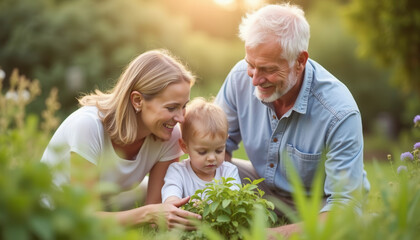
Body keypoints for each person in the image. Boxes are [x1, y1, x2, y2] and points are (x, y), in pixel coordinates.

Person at [214, 3, 370, 237]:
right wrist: (217, 201)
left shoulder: (339, 112)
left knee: (354, 222)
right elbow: (214, 143)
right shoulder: (239, 78)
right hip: (263, 189)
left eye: (267, 69)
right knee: (201, 163)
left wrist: (270, 235)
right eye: (250, 65)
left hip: (319, 205)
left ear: (300, 61)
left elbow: (344, 204)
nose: (255, 79)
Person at [41, 49, 201, 229]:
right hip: (54, 216)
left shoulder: (170, 134)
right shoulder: (87, 126)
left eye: (183, 106)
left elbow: (159, 213)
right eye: (171, 108)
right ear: (137, 100)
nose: (180, 118)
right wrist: (149, 214)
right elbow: (83, 219)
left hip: (105, 205)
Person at [161, 97, 241, 204]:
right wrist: (174, 201)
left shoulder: (229, 172)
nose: (212, 158)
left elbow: (234, 201)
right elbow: (171, 194)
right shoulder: (178, 172)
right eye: (202, 152)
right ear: (184, 146)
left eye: (219, 150)